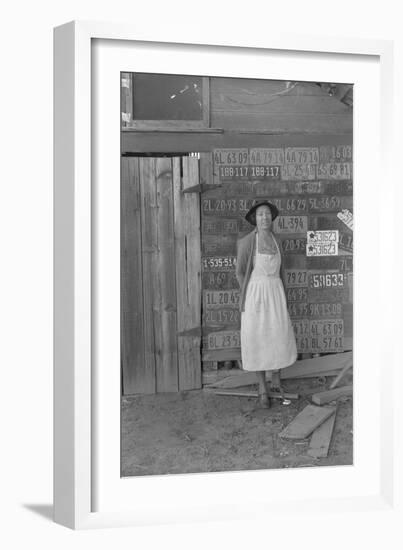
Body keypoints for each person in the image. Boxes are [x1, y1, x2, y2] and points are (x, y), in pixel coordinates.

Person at [236, 200, 297, 408]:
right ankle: (262, 388)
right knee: (257, 339)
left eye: (268, 214)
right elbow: (240, 272)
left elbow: (282, 271)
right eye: (261, 214)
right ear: (255, 218)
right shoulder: (246, 243)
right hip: (255, 295)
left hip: (276, 292)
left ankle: (276, 379)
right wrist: (249, 292)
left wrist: (283, 294)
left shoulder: (277, 241)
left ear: (272, 218)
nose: (265, 218)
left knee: (278, 335)